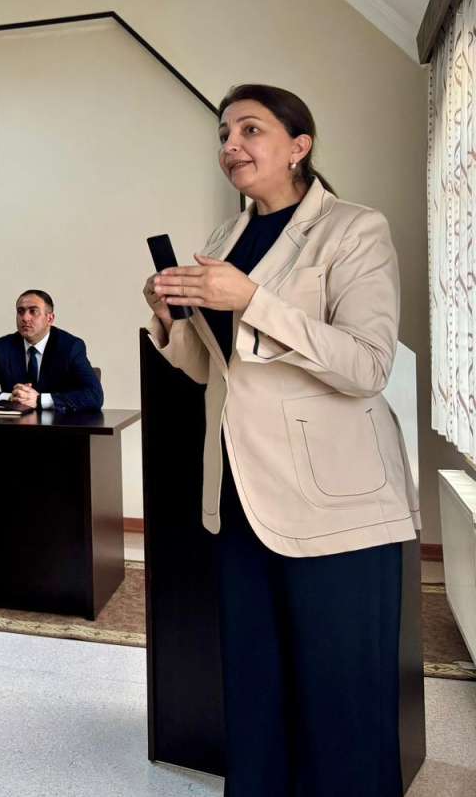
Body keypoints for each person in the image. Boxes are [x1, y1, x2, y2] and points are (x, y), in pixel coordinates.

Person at [144, 83, 419, 796]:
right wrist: (171, 321)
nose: (231, 145)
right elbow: (216, 367)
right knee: (255, 689)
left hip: (334, 499)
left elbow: (368, 364)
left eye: (250, 130)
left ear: (300, 146)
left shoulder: (354, 229)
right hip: (240, 491)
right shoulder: (221, 242)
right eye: (224, 134)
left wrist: (254, 302)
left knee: (341, 695)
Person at [0, 290, 102, 411]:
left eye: (33, 311)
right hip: (13, 427)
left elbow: (94, 396)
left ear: (50, 318)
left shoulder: (70, 347)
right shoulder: (4, 347)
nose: (25, 318)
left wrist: (39, 400)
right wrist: (11, 397)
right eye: (20, 311)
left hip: (58, 426)